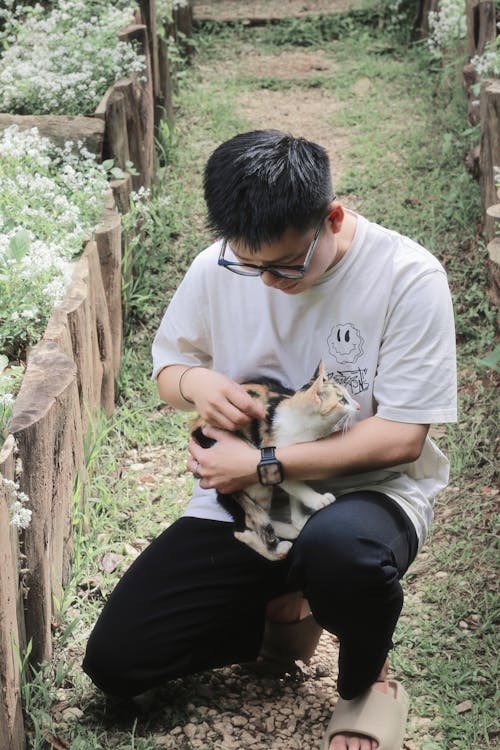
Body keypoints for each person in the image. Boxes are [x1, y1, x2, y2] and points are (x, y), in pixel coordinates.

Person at [83, 130, 457, 750]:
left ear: (332, 219)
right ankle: (287, 606)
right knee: (117, 663)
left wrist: (260, 463)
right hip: (248, 502)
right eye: (247, 265)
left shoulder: (407, 276)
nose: (266, 282)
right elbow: (168, 370)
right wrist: (196, 381)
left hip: (364, 493)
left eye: (286, 265)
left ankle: (369, 684)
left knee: (347, 555)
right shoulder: (220, 266)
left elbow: (400, 440)